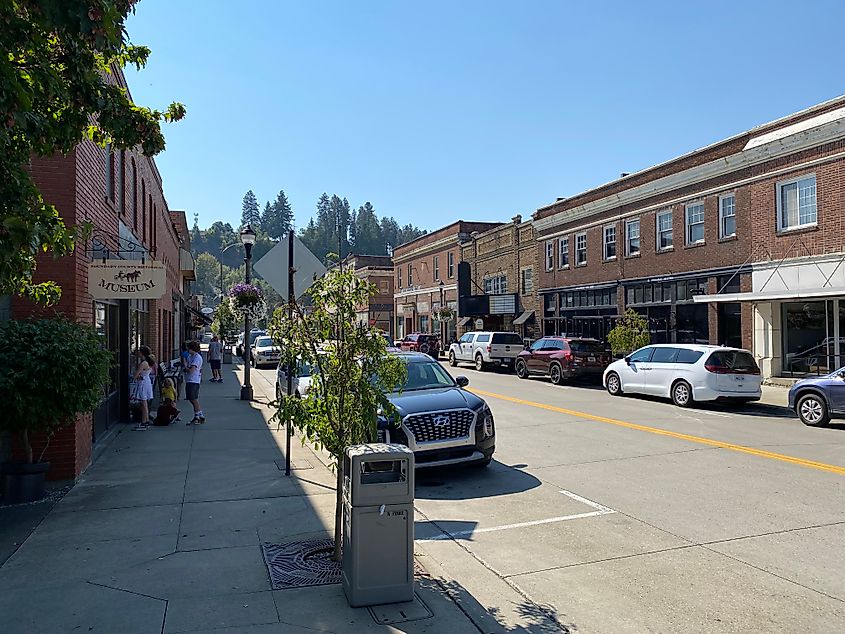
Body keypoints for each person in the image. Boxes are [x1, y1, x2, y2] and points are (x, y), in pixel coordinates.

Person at [132, 348, 154, 429]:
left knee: (143, 403)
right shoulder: (149, 362)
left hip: (143, 384)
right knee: (144, 403)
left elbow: (135, 375)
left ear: (142, 353)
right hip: (147, 381)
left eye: (139, 352)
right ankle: (146, 420)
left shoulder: (143, 363)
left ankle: (144, 422)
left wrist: (137, 377)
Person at [184, 340, 205, 424]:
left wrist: (186, 367)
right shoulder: (190, 356)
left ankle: (199, 415)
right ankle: (198, 415)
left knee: (193, 399)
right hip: (189, 380)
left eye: (189, 348)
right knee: (191, 398)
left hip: (193, 380)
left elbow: (191, 370)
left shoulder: (197, 358)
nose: (187, 350)